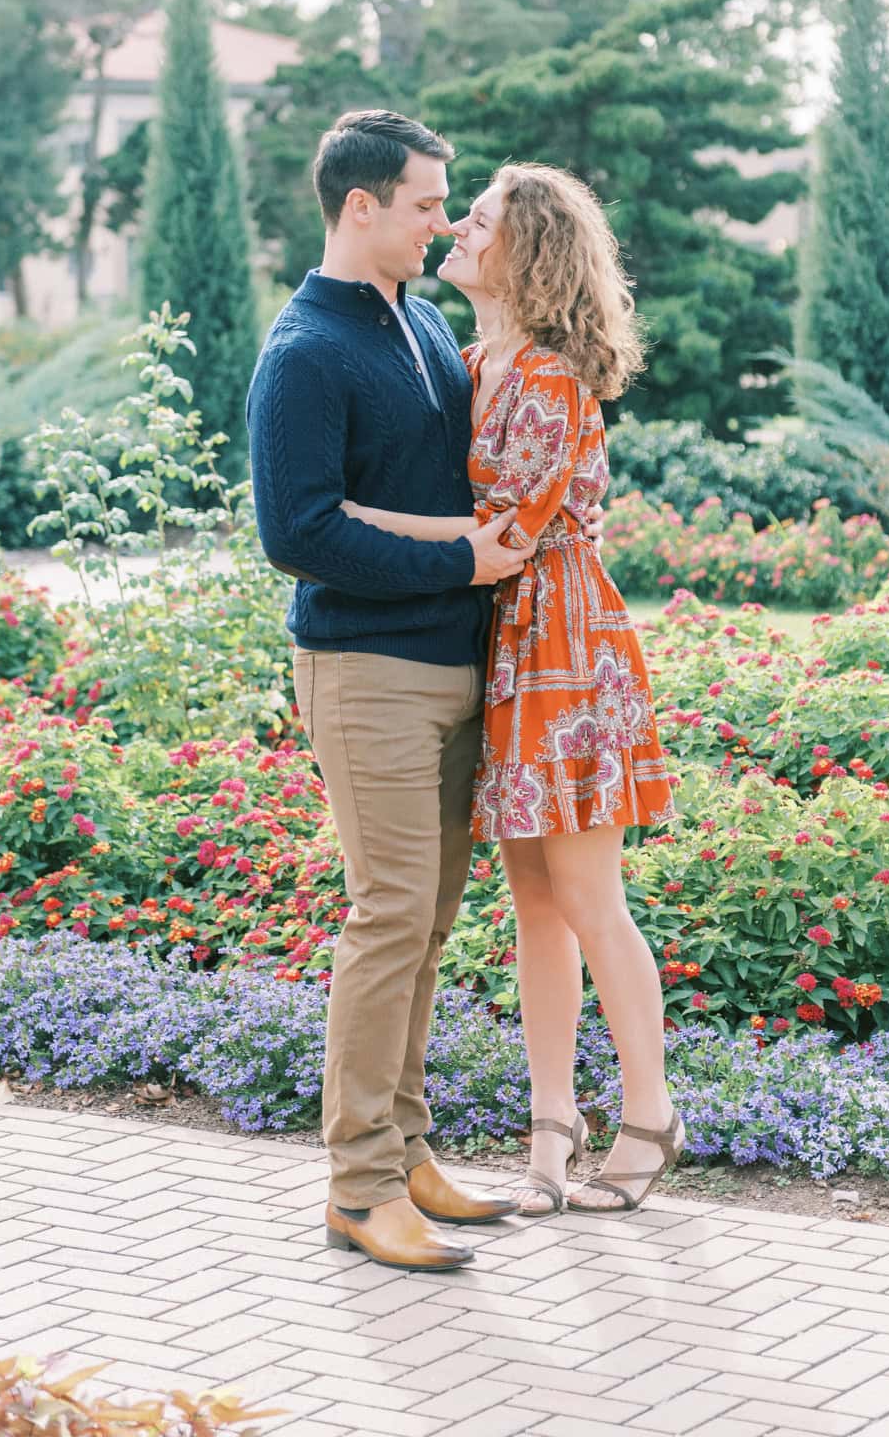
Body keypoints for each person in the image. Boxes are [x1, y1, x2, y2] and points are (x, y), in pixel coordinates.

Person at [247, 111, 603, 1271]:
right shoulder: (305, 349)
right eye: (421, 202)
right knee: (388, 914)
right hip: (366, 670)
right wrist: (458, 554)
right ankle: (356, 1186)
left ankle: (404, 1152)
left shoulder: (423, 321)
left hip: (457, 667)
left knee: (430, 922)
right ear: (360, 207)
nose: (442, 220)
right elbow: (294, 532)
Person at [342, 163, 682, 1217]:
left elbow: (505, 536)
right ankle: (549, 1128)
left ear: (518, 253)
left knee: (586, 896)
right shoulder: (474, 358)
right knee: (533, 902)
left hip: (563, 642)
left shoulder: (544, 380)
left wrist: (338, 519)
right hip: (508, 642)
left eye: (474, 218)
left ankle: (649, 1114)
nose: (451, 225)